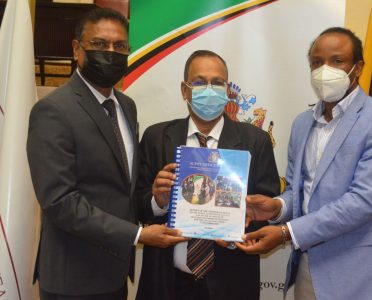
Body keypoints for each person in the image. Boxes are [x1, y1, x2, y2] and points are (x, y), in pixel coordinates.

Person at [237, 27, 372, 300]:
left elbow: (362, 201)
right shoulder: (302, 123)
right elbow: (299, 189)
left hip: (361, 272)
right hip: (307, 269)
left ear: (358, 67)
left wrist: (286, 232)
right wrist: (277, 207)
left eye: (337, 61)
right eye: (317, 62)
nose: (324, 69)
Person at [27, 8, 186, 300]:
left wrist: (155, 200)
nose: (111, 53)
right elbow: (59, 201)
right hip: (72, 278)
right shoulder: (53, 111)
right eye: (100, 44)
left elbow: (120, 188)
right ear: (77, 49)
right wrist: (137, 235)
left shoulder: (126, 106)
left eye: (120, 46)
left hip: (114, 273)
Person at [135, 50, 280, 300]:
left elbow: (266, 212)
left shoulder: (255, 142)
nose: (209, 90)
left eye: (218, 83)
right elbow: (136, 207)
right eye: (200, 82)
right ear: (185, 90)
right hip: (166, 283)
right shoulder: (156, 137)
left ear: (227, 91)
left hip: (231, 282)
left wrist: (238, 229)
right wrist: (157, 200)